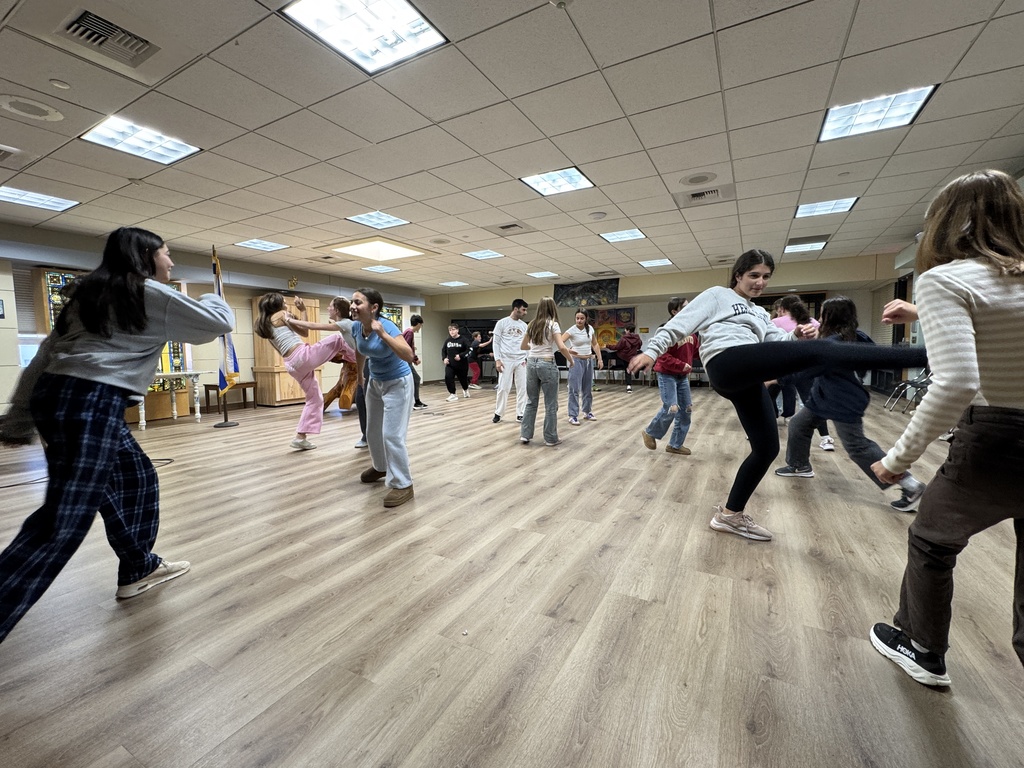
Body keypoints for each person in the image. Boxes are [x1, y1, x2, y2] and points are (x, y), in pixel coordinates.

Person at [0, 227, 235, 643]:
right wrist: (213, 292)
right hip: (90, 401)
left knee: (136, 479)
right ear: (145, 256)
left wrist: (20, 415)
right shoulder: (147, 292)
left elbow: (44, 356)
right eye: (167, 254)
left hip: (65, 398)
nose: (172, 263)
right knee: (62, 523)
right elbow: (217, 323)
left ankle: (138, 566)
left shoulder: (89, 296)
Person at [629, 248, 928, 542]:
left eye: (766, 277)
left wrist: (795, 337)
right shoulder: (717, 295)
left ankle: (730, 515)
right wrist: (650, 351)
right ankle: (927, 355)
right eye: (753, 275)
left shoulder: (759, 312)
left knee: (766, 448)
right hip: (727, 362)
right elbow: (678, 325)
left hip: (749, 375)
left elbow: (775, 342)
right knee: (825, 351)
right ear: (737, 275)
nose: (759, 282)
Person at [868, 170, 1024, 687]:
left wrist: (897, 460)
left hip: (1002, 435)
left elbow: (958, 382)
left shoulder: (945, 279)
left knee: (933, 541)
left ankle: (921, 648)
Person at [774, 296, 927, 510]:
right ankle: (799, 465)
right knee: (799, 424)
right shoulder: (855, 337)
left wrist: (774, 379)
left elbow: (804, 371)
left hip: (841, 400)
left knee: (857, 446)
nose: (818, 319)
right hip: (823, 397)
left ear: (830, 317)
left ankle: (911, 486)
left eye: (822, 315)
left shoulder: (832, 344)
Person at [254, 292, 355, 450]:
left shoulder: (265, 324)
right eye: (284, 301)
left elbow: (298, 337)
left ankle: (300, 437)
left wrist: (302, 312)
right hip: (301, 356)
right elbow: (305, 330)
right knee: (338, 339)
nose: (286, 303)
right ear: (278, 305)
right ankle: (364, 358)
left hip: (291, 364)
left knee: (315, 399)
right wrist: (302, 309)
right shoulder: (282, 314)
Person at [350, 288, 416, 508]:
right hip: (375, 382)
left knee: (392, 435)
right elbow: (360, 350)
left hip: (398, 383)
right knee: (372, 430)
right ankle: (380, 466)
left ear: (374, 307)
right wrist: (360, 374)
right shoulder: (357, 326)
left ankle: (402, 484)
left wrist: (383, 335)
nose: (352, 306)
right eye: (352, 301)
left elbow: (408, 355)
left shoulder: (387, 326)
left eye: (357, 302)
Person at [767, 296, 834, 452]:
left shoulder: (776, 322)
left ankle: (763, 430)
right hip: (806, 366)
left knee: (768, 397)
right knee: (811, 401)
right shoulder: (813, 322)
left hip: (782, 367)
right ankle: (826, 438)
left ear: (781, 309)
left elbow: (770, 343)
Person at [281, 296, 358, 413]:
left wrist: (288, 320)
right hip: (358, 358)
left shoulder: (345, 324)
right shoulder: (344, 323)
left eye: (330, 306)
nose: (328, 308)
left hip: (365, 360)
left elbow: (313, 326)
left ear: (336, 310)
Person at [641, 297, 698, 455]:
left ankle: (675, 445)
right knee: (672, 408)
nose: (689, 309)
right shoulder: (668, 330)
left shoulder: (691, 331)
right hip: (667, 375)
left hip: (682, 377)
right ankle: (650, 433)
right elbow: (662, 356)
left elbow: (697, 352)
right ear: (675, 311)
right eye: (685, 307)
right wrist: (681, 365)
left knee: (686, 410)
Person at [519, 297, 576, 446]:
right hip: (547, 363)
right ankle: (550, 438)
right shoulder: (552, 324)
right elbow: (562, 347)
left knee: (531, 401)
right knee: (551, 404)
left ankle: (525, 435)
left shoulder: (531, 324)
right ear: (552, 308)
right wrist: (571, 360)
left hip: (531, 363)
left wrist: (536, 348)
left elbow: (523, 346)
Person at [562, 309, 603, 425]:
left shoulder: (590, 329)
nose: (579, 320)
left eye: (582, 318)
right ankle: (573, 415)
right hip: (576, 361)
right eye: (577, 318)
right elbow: (560, 342)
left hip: (589, 361)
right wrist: (569, 351)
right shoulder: (572, 330)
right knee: (574, 389)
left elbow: (595, 344)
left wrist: (600, 359)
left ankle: (587, 411)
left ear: (586, 319)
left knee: (587, 388)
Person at [491, 299, 530, 424]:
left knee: (522, 388)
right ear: (516, 309)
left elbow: (527, 344)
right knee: (503, 387)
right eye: (523, 309)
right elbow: (495, 343)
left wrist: (527, 359)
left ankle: (521, 413)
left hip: (521, 360)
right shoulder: (502, 323)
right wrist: (497, 360)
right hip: (505, 359)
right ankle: (499, 412)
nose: (525, 312)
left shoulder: (524, 326)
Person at [605, 324, 643, 391]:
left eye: (625, 329)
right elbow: (639, 346)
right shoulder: (637, 338)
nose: (625, 331)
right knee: (627, 370)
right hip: (631, 357)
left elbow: (617, 347)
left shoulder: (624, 338)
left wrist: (608, 346)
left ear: (628, 330)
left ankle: (596, 358)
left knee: (607, 355)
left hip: (622, 355)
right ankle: (629, 387)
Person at [442, 323, 472, 403]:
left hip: (461, 365)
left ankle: (465, 389)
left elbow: (469, 350)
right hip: (450, 364)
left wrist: (461, 356)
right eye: (450, 330)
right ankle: (453, 394)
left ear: (457, 330)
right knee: (448, 377)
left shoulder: (464, 340)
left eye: (453, 330)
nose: (451, 332)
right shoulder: (448, 340)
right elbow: (443, 350)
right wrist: (444, 358)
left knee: (463, 379)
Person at [402, 314, 427, 410]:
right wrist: (415, 358)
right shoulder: (410, 332)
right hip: (405, 362)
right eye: (421, 325)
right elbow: (407, 348)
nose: (421, 327)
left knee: (413, 380)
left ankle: (415, 401)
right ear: (418, 324)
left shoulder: (408, 332)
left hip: (406, 361)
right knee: (416, 379)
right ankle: (416, 402)